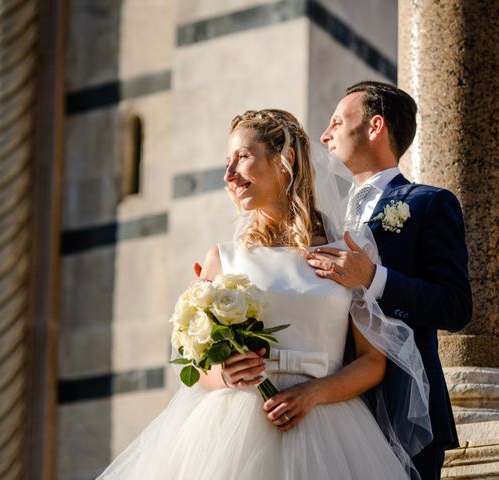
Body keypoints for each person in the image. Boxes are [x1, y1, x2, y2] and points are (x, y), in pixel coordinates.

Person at [97, 109, 430, 479]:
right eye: (227, 162)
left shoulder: (347, 251)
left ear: (285, 159)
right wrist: (223, 374)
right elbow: (194, 367)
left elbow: (372, 362)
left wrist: (313, 394)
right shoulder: (222, 258)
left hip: (329, 426)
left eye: (241, 157)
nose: (229, 175)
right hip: (231, 431)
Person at [308, 81, 473, 479]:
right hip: (332, 404)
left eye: (336, 122)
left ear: (374, 126)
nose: (324, 135)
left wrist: (374, 278)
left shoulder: (428, 203)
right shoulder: (323, 219)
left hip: (404, 406)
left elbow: (455, 307)